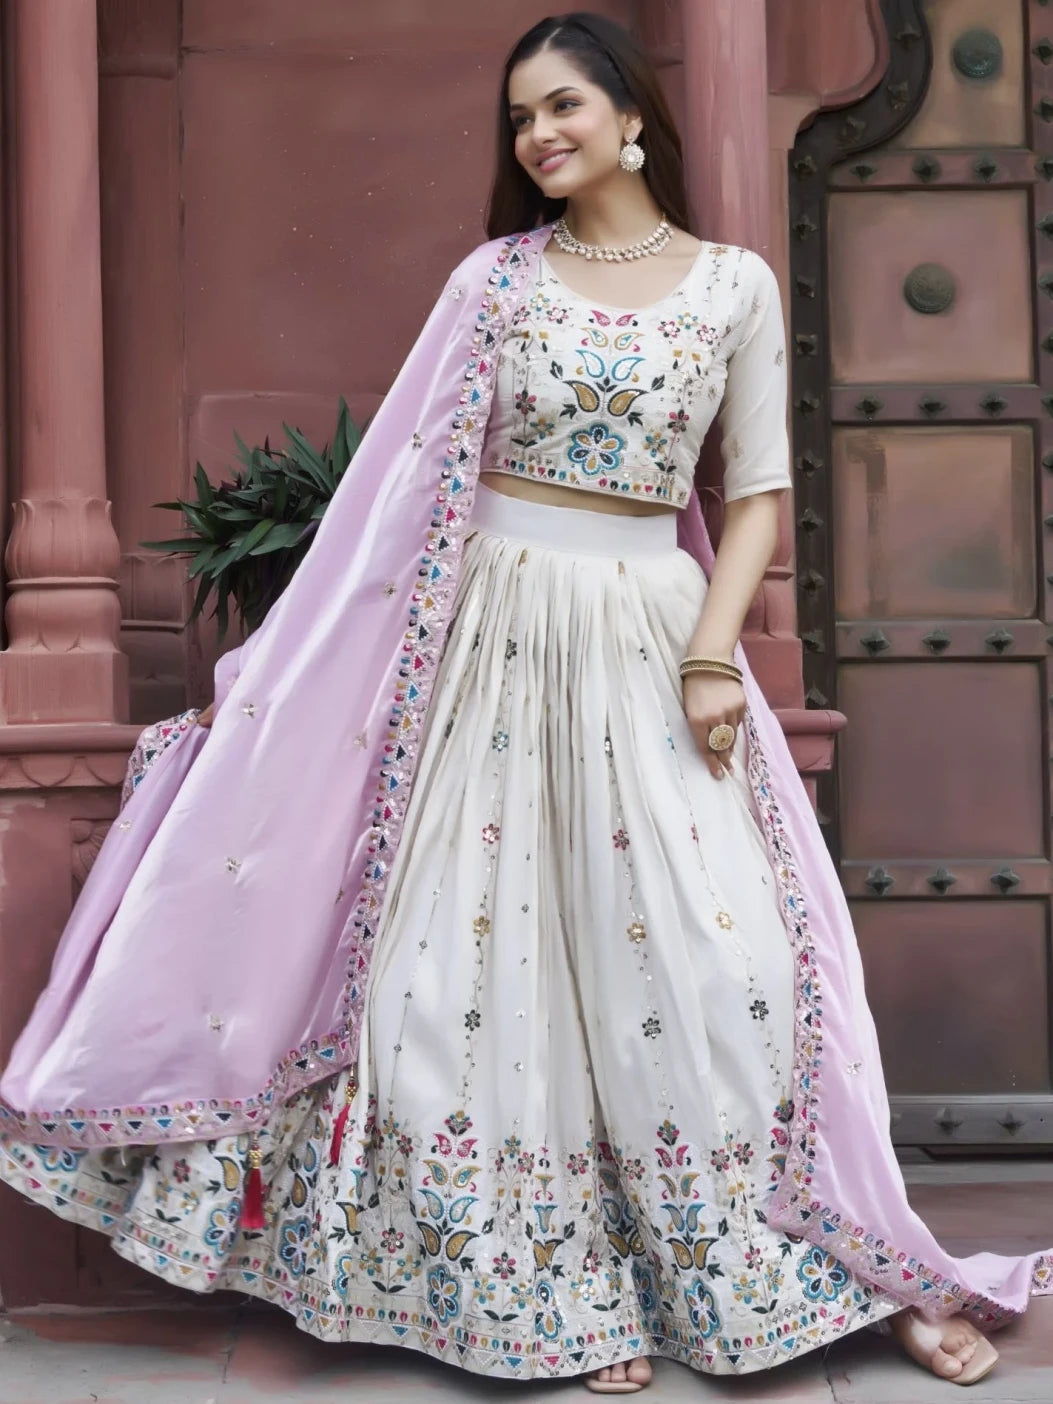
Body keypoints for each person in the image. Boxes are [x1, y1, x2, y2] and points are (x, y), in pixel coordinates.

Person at [0, 12, 1048, 1395]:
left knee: (717, 963)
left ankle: (812, 1264)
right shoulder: (494, 282)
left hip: (650, 633)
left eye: (563, 106)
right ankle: (547, 1291)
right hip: (489, 639)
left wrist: (710, 656)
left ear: (631, 117)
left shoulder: (730, 287)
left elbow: (755, 494)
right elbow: (401, 491)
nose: (539, 134)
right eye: (520, 117)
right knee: (462, 970)